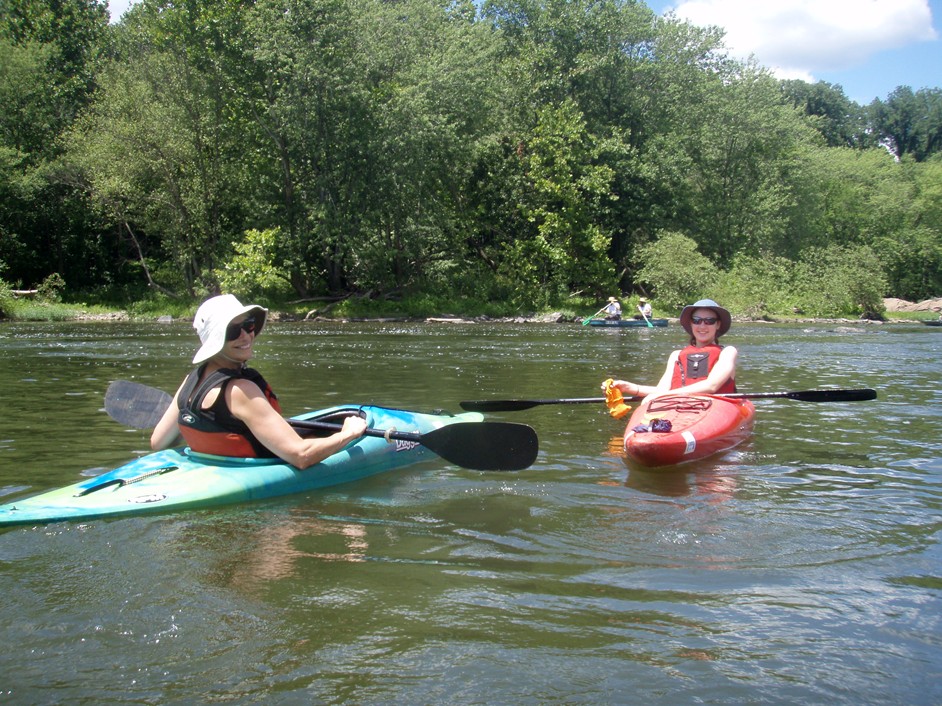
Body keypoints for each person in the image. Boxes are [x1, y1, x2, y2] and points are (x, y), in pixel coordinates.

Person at [151, 294, 366, 468]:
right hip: (256, 470)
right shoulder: (241, 390)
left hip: (216, 463)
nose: (245, 336)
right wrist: (349, 433)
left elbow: (158, 442)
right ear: (216, 340)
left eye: (248, 325)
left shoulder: (191, 381)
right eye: (234, 331)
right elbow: (301, 456)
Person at [606, 298, 738, 402]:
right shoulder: (676, 355)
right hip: (678, 405)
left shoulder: (727, 352)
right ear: (691, 323)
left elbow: (711, 386)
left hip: (716, 407)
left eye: (709, 321)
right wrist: (630, 387)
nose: (702, 325)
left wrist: (662, 396)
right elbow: (662, 389)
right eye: (697, 320)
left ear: (718, 324)